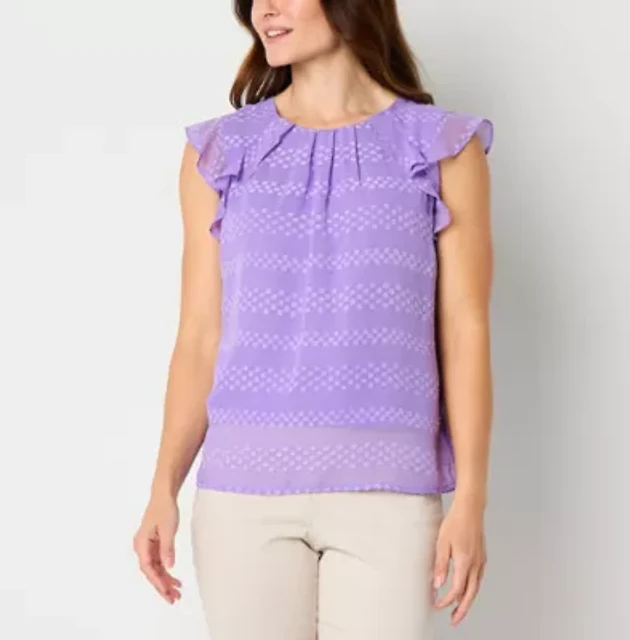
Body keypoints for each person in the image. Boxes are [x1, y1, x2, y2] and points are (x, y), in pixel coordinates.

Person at [133, 0, 494, 638]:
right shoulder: (221, 153)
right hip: (243, 497)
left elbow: (465, 333)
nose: (264, 10)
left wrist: (471, 499)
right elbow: (199, 336)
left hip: (389, 496)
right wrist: (164, 485)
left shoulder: (441, 148)